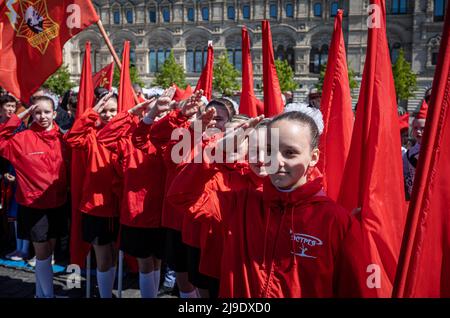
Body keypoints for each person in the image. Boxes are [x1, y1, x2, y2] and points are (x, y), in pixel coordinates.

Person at [168, 105, 374, 297]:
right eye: (269, 150)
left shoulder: (336, 221)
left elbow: (354, 288)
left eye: (290, 152)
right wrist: (216, 153)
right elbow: (181, 196)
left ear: (313, 157)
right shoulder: (238, 204)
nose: (277, 159)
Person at [0, 96, 68, 298]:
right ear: (32, 114)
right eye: (37, 112)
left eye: (47, 112)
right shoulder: (21, 139)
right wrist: (21, 115)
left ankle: (41, 293)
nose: (42, 116)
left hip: (59, 203)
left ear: (55, 114)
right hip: (33, 206)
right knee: (42, 253)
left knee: (50, 252)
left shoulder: (64, 139)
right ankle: (47, 295)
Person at [64, 92, 120, 298]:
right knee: (103, 256)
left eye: (112, 110)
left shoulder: (125, 134)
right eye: (104, 110)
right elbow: (72, 138)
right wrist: (93, 112)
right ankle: (106, 295)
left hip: (119, 205)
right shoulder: (91, 135)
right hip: (95, 206)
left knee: (114, 256)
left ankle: (108, 291)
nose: (108, 114)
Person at [403, 98, 427, 200]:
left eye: (422, 128)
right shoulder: (408, 153)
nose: (418, 132)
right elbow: (405, 174)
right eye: (416, 128)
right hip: (414, 197)